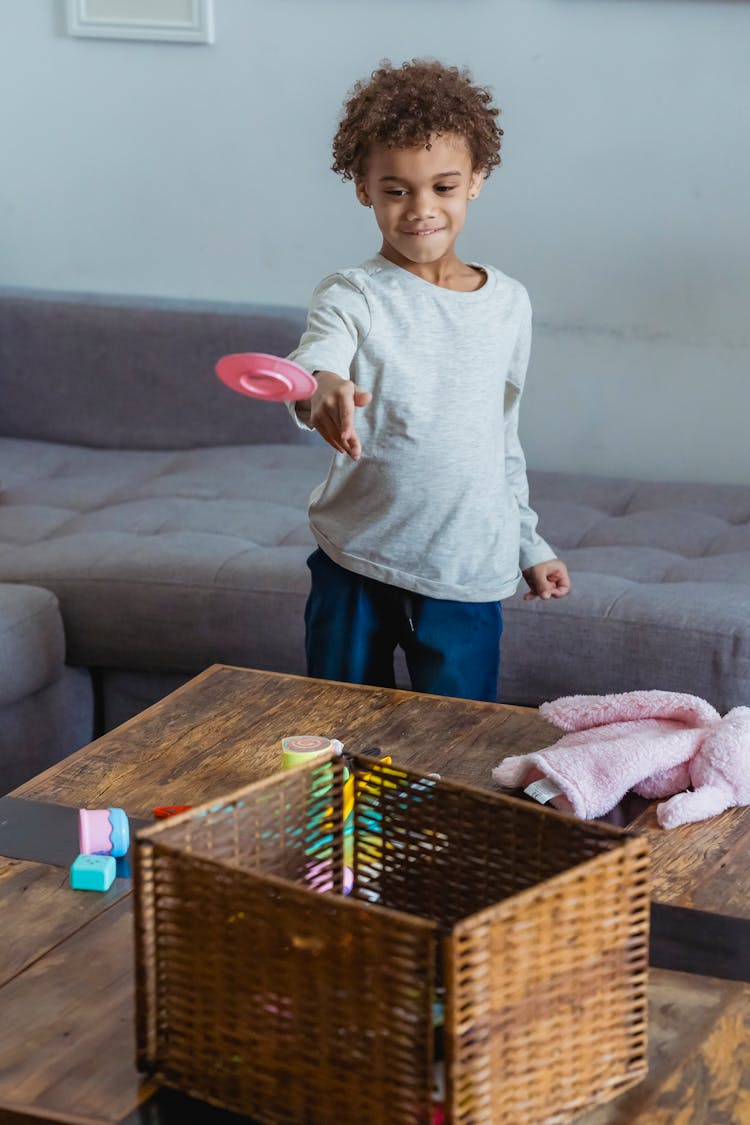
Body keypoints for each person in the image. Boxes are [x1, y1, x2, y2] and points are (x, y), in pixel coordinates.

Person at [287, 58, 570, 703]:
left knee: (456, 751)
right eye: (395, 190)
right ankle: (345, 812)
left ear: (477, 181)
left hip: (465, 570)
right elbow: (316, 359)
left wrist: (530, 543)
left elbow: (499, 437)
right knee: (338, 735)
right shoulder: (352, 294)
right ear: (363, 188)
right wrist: (322, 387)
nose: (421, 210)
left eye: (443, 187)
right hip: (354, 559)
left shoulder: (509, 304)